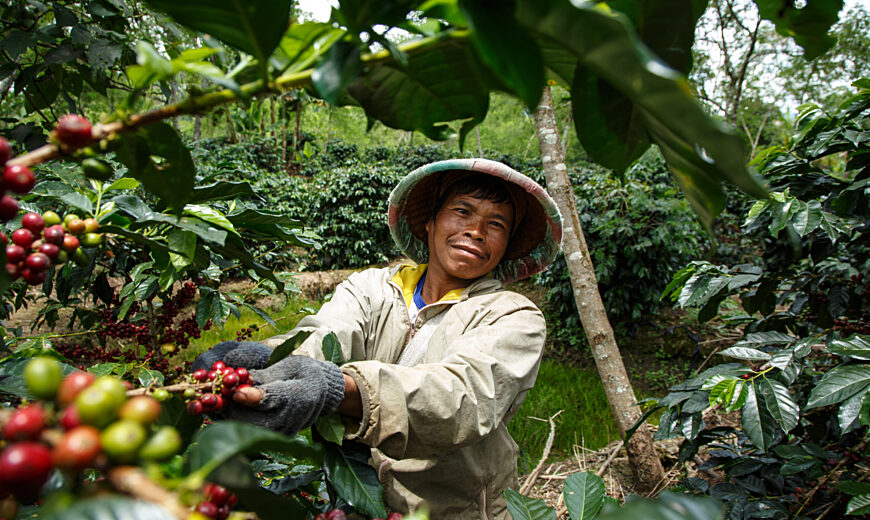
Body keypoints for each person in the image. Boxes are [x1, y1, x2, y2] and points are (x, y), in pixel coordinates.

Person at [194, 158, 563, 519]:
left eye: (496, 224)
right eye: (462, 211)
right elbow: (324, 335)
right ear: (430, 222)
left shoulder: (514, 316)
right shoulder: (371, 288)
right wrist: (264, 359)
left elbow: (462, 399)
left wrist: (342, 389)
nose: (476, 231)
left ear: (506, 245)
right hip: (355, 502)